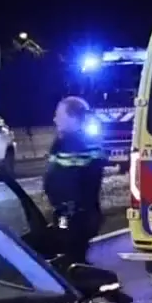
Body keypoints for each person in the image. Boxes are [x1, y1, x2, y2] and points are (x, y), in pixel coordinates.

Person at [44, 96, 108, 262]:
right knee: (72, 254)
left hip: (75, 215)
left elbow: (77, 181)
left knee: (72, 255)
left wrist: (67, 208)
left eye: (59, 114)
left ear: (72, 117)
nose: (55, 119)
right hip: (73, 213)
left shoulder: (76, 143)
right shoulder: (65, 142)